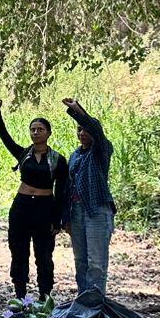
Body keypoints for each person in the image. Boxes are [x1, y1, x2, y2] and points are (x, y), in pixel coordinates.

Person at [0, 100, 71, 302]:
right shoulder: (23, 154)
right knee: (18, 251)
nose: (36, 132)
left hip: (44, 208)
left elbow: (61, 191)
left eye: (40, 129)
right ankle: (20, 295)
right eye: (33, 129)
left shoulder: (58, 159)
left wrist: (58, 219)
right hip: (22, 206)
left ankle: (44, 296)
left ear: (48, 133)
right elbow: (4, 136)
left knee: (44, 253)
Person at [63, 97, 116, 294]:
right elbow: (68, 188)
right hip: (76, 211)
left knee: (96, 262)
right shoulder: (75, 155)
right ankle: (84, 301)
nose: (82, 133)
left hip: (97, 210)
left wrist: (78, 110)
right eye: (79, 130)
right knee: (80, 261)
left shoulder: (101, 150)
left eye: (85, 129)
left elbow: (95, 129)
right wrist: (65, 218)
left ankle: (96, 304)